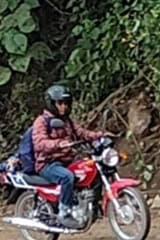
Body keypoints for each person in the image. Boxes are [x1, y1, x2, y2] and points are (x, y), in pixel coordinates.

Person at [32, 85, 106, 229]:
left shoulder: (68, 121)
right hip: (48, 164)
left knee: (93, 169)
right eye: (60, 103)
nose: (64, 107)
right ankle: (64, 213)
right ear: (52, 104)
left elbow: (82, 133)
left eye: (66, 103)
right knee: (67, 177)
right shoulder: (41, 121)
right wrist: (59, 144)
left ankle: (93, 205)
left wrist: (100, 135)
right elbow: (39, 143)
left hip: (67, 161)